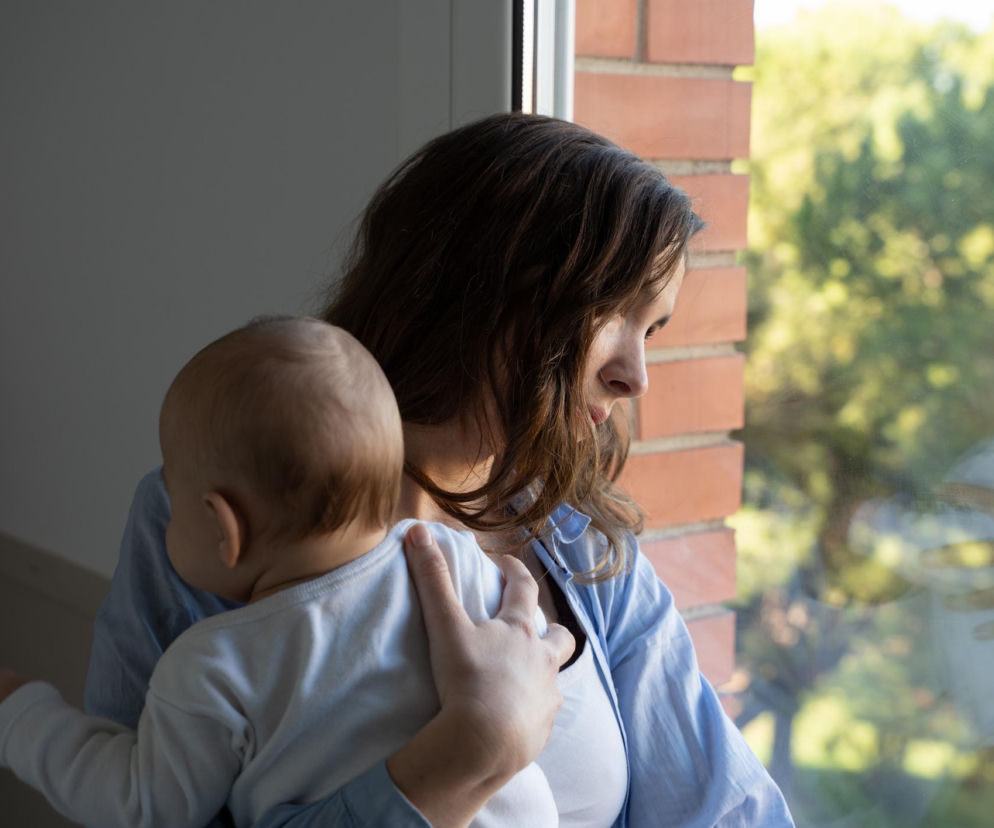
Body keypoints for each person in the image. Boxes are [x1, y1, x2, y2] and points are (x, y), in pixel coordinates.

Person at [84, 112, 795, 827]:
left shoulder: (580, 545)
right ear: (477, 290)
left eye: (652, 329)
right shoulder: (208, 515)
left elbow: (733, 811)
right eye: (609, 311)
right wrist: (456, 763)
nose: (636, 376)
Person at [0, 317, 562, 827]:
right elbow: (520, 657)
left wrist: (21, 711)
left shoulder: (211, 669)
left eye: (173, 494)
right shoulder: (443, 554)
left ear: (225, 527)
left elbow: (143, 806)